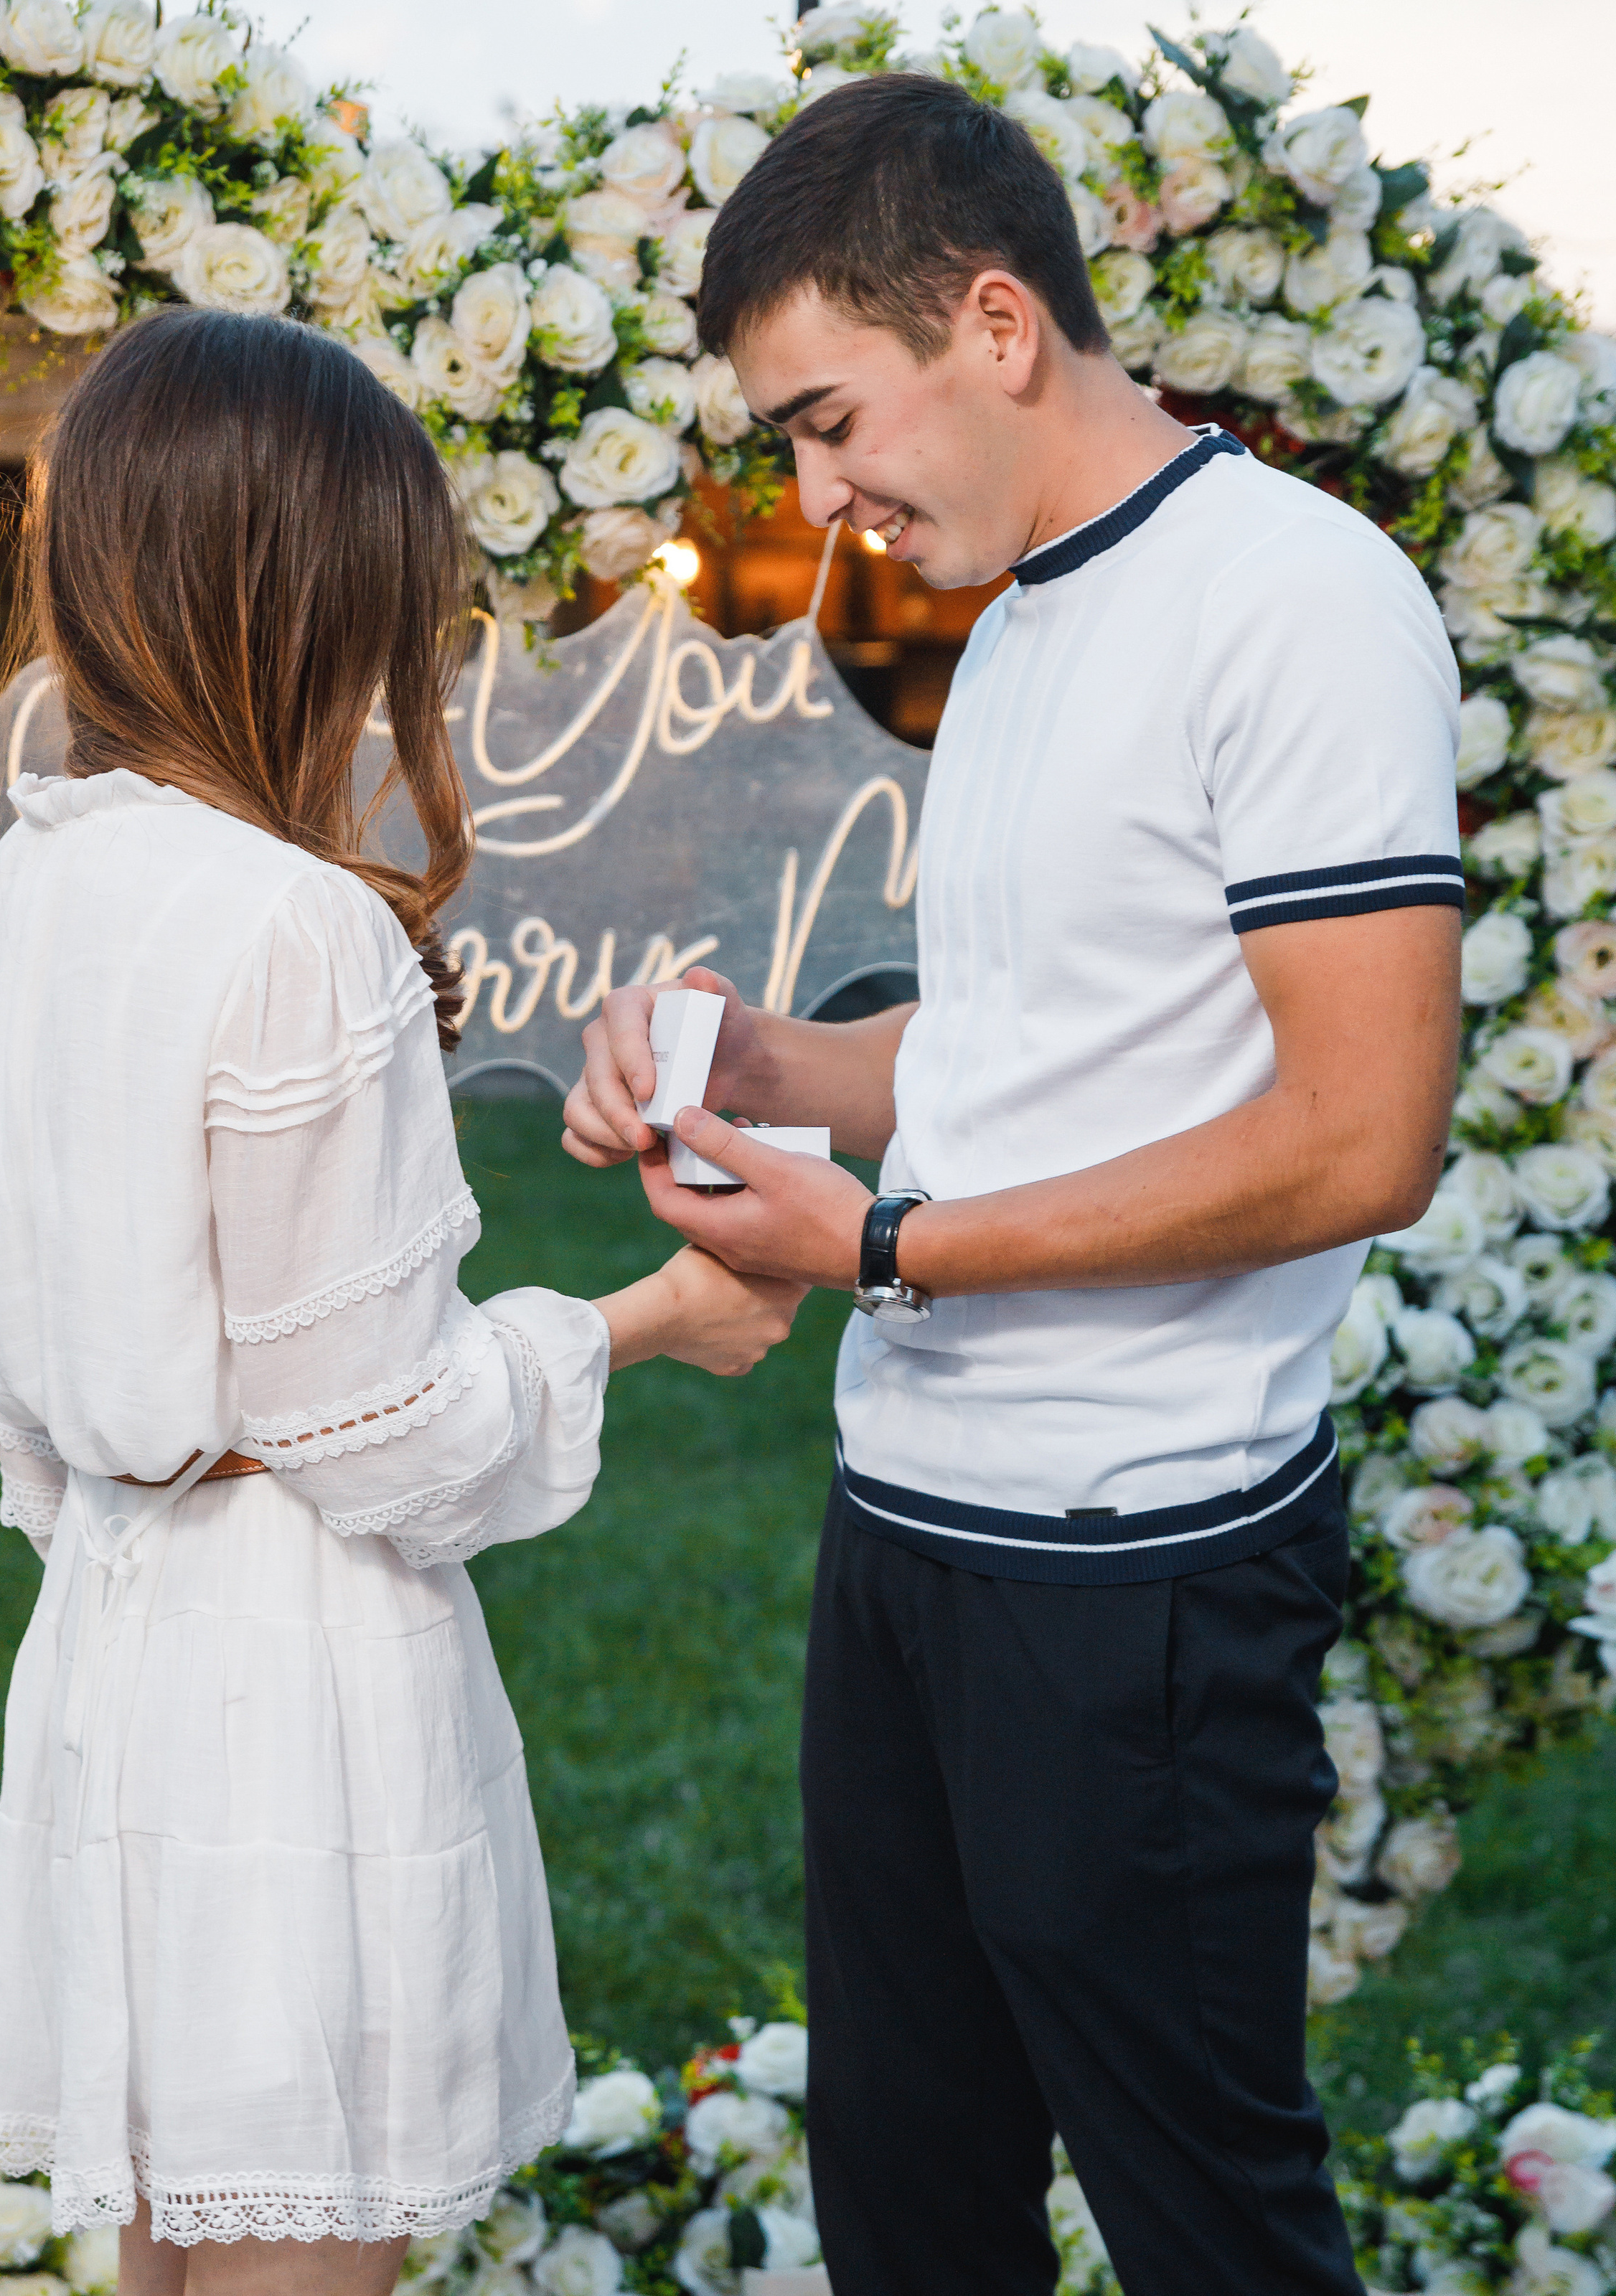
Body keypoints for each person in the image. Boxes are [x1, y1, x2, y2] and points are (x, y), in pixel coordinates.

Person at [561, 73, 1462, 2296]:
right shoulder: (1033, 613)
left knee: (1203, 2220)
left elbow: (1362, 1133)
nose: (815, 496)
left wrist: (883, 1246)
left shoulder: (1294, 601)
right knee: (910, 2192)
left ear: (992, 324)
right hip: (907, 1531)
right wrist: (756, 1067)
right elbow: (1012, 1052)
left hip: (1134, 1566)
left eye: (828, 420)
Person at [0, 309, 803, 2296]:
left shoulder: (34, 887)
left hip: (114, 1644)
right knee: (298, 2237)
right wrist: (660, 1310)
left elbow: (37, 1381)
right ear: (322, 598)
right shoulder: (298, 925)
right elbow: (383, 1433)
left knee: (171, 2244)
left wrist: (146, 1470)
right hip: (289, 1687)